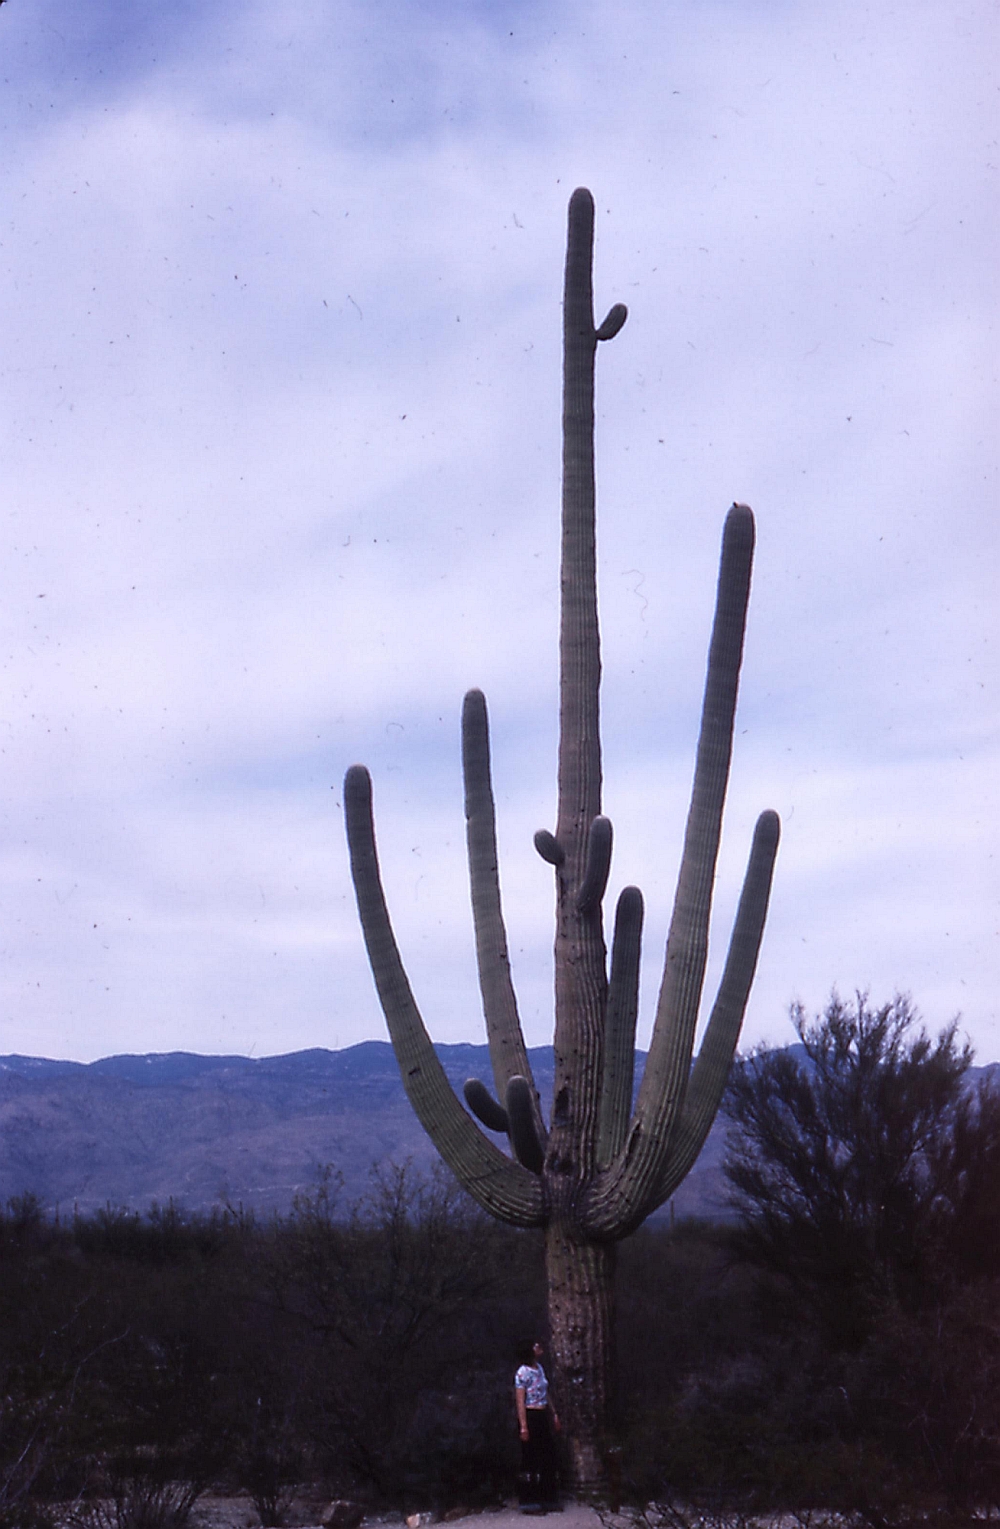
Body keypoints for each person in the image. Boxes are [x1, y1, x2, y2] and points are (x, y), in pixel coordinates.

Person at [514, 1338, 561, 1513]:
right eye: (535, 1346)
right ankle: (529, 1500)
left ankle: (548, 1497)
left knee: (548, 1454)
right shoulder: (522, 1373)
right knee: (530, 1456)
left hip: (542, 1414)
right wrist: (523, 1426)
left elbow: (545, 1392)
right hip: (530, 1414)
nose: (539, 1347)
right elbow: (520, 1401)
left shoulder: (540, 1369)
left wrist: (554, 1414)